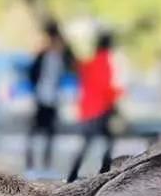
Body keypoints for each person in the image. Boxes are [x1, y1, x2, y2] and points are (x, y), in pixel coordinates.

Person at [67, 31, 122, 182]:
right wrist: (118, 95)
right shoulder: (104, 62)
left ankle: (95, 171)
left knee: (98, 141)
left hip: (89, 109)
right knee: (99, 142)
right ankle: (102, 171)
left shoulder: (90, 62)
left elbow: (84, 80)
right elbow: (106, 87)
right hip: (99, 110)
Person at [25, 20, 74, 172]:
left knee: (50, 132)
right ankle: (31, 162)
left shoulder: (61, 57)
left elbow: (72, 61)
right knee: (36, 130)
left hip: (53, 98)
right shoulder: (43, 54)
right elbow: (32, 72)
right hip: (42, 96)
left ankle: (45, 163)